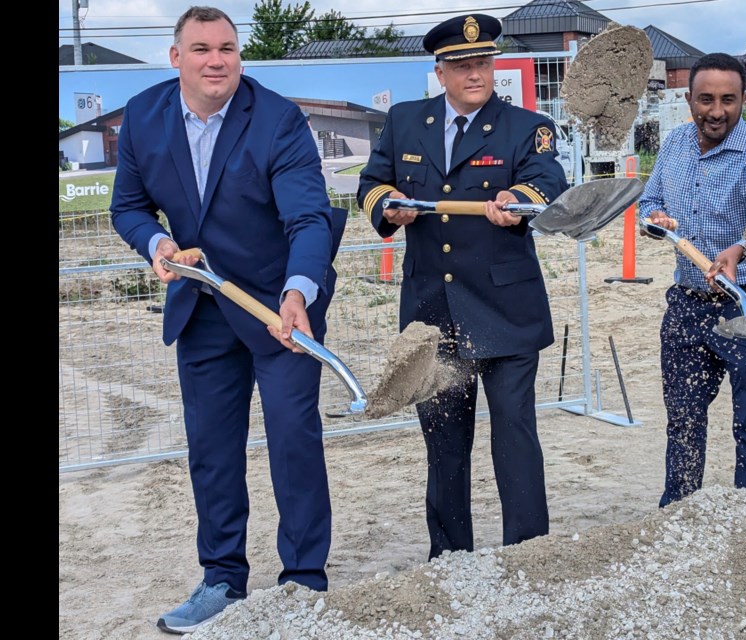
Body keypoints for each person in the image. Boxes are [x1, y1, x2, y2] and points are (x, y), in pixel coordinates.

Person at [110, 6, 344, 634]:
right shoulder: (143, 117)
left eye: (228, 49)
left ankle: (301, 582)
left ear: (239, 55)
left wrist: (299, 292)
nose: (217, 61)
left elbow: (308, 217)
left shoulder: (276, 119)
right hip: (203, 303)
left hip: (277, 307)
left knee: (294, 440)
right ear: (176, 56)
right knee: (212, 449)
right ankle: (221, 579)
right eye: (201, 49)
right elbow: (128, 207)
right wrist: (157, 246)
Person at [357, 14, 568, 560]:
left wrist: (516, 203)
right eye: (461, 65)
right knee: (444, 441)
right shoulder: (405, 122)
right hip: (434, 312)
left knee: (514, 437)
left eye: (482, 63)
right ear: (441, 70)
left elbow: (548, 185)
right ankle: (449, 557)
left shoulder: (527, 125)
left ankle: (527, 554)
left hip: (506, 309)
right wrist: (388, 208)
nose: (475, 74)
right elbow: (371, 183)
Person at [638, 53, 746, 508]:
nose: (716, 110)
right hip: (688, 304)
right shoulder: (675, 145)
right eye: (706, 99)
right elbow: (649, 203)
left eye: (728, 99)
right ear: (689, 100)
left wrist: (740, 249)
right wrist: (656, 219)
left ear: (745, 98)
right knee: (683, 417)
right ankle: (680, 511)